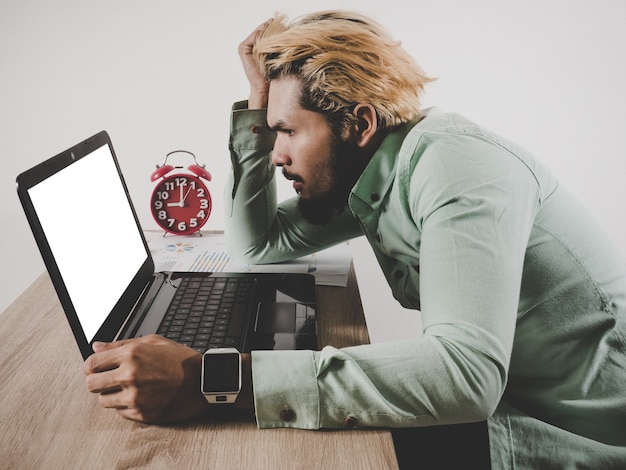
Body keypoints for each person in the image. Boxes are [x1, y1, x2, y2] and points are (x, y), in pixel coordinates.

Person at [83, 10, 626, 469]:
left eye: (289, 131)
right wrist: (257, 102)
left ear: (359, 124)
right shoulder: (374, 176)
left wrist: (214, 377)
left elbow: (467, 375)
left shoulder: (455, 165)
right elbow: (257, 245)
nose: (275, 154)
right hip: (509, 409)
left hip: (575, 433)